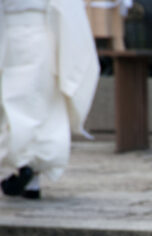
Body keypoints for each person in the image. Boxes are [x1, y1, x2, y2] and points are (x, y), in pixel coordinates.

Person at [0, 0, 99, 200]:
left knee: (13, 105)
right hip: (40, 37)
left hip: (10, 37)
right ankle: (32, 179)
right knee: (41, 107)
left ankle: (22, 165)